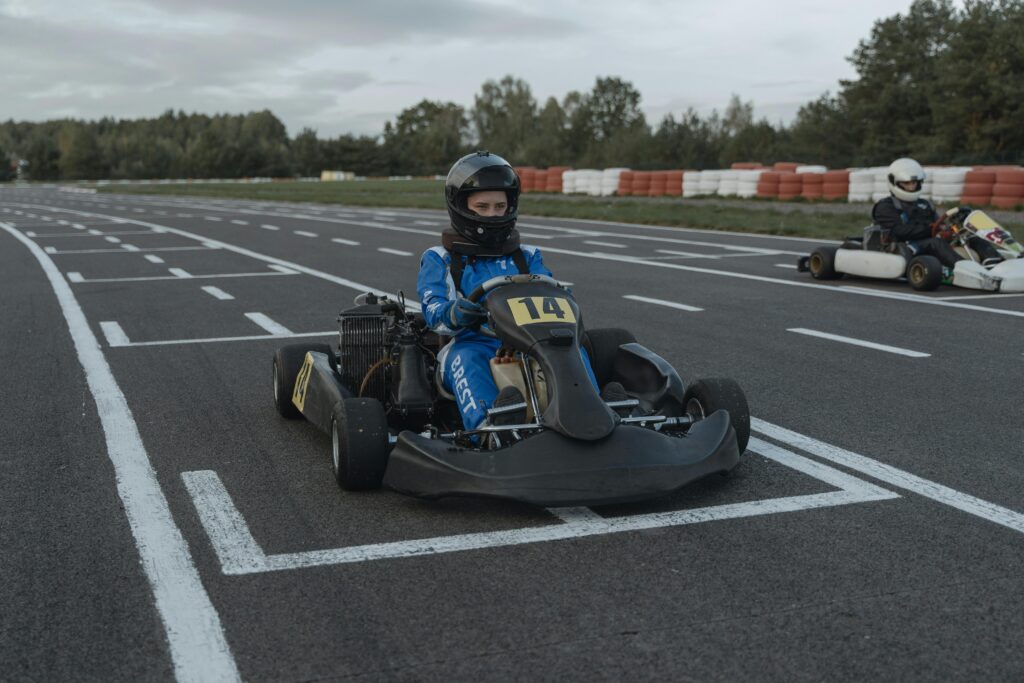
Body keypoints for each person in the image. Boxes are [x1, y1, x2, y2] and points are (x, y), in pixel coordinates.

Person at [417, 151, 601, 432]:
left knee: (574, 351)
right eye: (482, 206)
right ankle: (490, 428)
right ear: (461, 206)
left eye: (499, 206)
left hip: (530, 343)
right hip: (472, 343)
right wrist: (456, 313)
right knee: (467, 360)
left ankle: (592, 413)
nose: (493, 214)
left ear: (510, 206)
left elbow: (550, 293)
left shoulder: (526, 255)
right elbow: (433, 315)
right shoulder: (440, 257)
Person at [872, 158, 1001, 268]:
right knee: (936, 243)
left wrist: (949, 228)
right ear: (894, 182)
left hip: (928, 242)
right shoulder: (886, 206)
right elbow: (899, 231)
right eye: (907, 183)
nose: (911, 186)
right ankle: (968, 269)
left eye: (914, 183)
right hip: (903, 246)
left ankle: (996, 262)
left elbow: (938, 222)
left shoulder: (924, 204)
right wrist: (931, 229)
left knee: (970, 236)